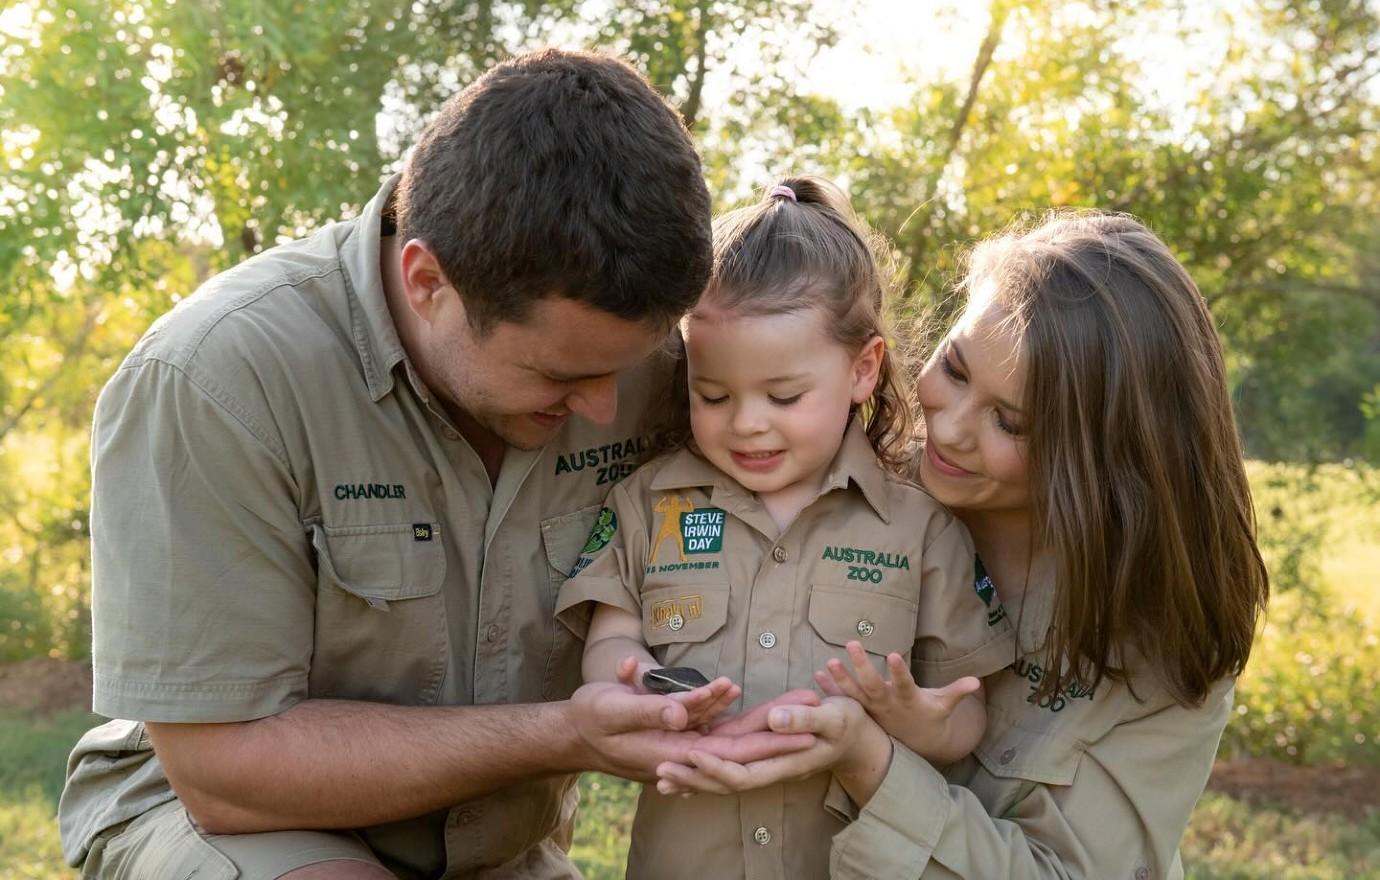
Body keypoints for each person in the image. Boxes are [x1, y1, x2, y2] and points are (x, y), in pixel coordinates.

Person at [57, 49, 812, 880]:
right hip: (224, 822)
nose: (607, 407)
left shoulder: (654, 365)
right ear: (427, 281)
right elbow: (223, 773)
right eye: (563, 376)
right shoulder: (216, 379)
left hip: (500, 851)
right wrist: (564, 732)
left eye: (626, 369)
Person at [653, 211, 1271, 880]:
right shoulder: (837, 491)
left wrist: (871, 764)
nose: (947, 429)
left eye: (1010, 422)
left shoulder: (1163, 640)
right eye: (953, 368)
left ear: (1101, 458)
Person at [554, 177, 1016, 879]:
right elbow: (611, 640)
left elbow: (964, 715)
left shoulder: (918, 525)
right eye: (713, 395)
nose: (747, 422)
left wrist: (914, 717)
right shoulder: (648, 503)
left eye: (784, 395)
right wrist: (642, 684)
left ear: (863, 368)